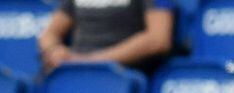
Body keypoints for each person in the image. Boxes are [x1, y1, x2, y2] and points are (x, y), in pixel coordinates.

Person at [37, 0, 174, 73]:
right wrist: (54, 50)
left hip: (119, 74)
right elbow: (50, 33)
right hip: (75, 70)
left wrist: (91, 61)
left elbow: (158, 39)